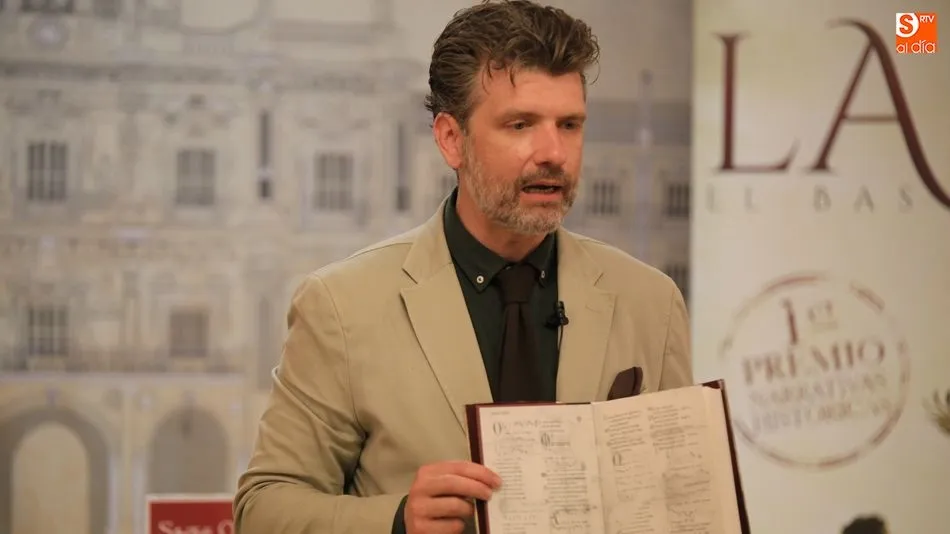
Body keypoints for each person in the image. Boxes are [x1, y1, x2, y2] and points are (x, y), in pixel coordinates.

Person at [233, 1, 692, 533]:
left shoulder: (651, 303)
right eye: (520, 124)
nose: (554, 152)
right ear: (451, 139)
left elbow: (686, 501)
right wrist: (398, 520)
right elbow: (263, 510)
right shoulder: (341, 306)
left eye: (569, 125)